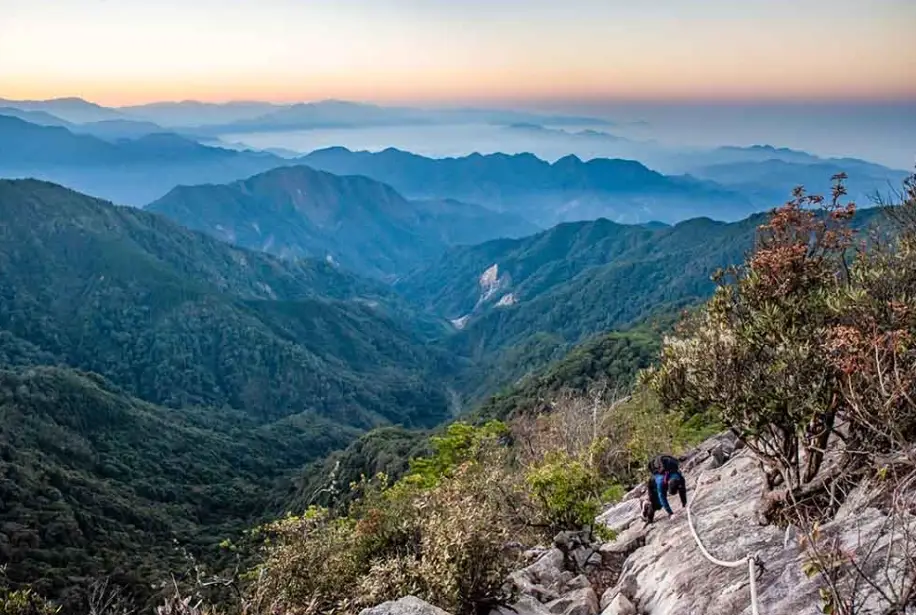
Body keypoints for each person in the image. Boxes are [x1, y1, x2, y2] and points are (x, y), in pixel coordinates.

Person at [641, 454, 687, 524]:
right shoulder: (661, 482)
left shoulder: (679, 478)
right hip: (653, 484)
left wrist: (684, 504)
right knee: (657, 505)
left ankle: (648, 507)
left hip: (666, 477)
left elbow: (682, 491)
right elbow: (662, 497)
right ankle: (645, 504)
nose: (675, 493)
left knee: (658, 504)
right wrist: (671, 514)